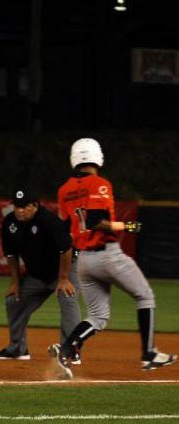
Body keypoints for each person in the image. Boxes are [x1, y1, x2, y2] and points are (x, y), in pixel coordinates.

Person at [49, 138, 176, 379]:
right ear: (98, 157)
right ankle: (149, 354)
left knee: (97, 317)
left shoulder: (64, 190)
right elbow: (97, 221)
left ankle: (65, 351)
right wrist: (127, 225)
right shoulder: (100, 183)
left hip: (83, 260)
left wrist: (65, 270)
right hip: (107, 255)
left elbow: (65, 228)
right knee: (145, 296)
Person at [0, 188, 81, 363]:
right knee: (13, 300)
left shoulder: (49, 221)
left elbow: (66, 250)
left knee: (68, 298)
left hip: (62, 271)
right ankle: (18, 349)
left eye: (24, 207)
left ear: (35, 206)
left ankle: (70, 350)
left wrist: (63, 279)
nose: (19, 210)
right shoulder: (10, 223)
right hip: (37, 275)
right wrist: (15, 283)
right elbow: (11, 255)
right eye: (16, 206)